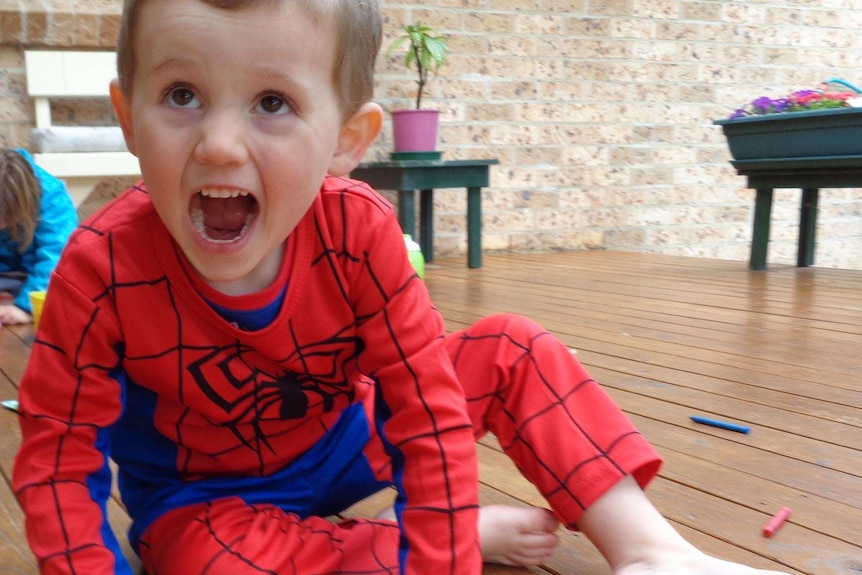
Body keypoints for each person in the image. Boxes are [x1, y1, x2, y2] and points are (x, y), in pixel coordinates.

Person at [12, 1, 792, 574]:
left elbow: (427, 408)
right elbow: (57, 462)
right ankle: (394, 544)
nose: (219, 143)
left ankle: (649, 548)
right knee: (198, 561)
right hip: (206, 499)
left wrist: (441, 553)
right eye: (181, 95)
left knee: (511, 347)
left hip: (344, 436)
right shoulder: (99, 266)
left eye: (272, 103)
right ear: (128, 116)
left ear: (346, 140)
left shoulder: (359, 230)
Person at [0, 148, 77, 325]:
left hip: (32, 277)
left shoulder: (53, 199)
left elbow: (56, 256)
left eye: (5, 218)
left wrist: (25, 308)